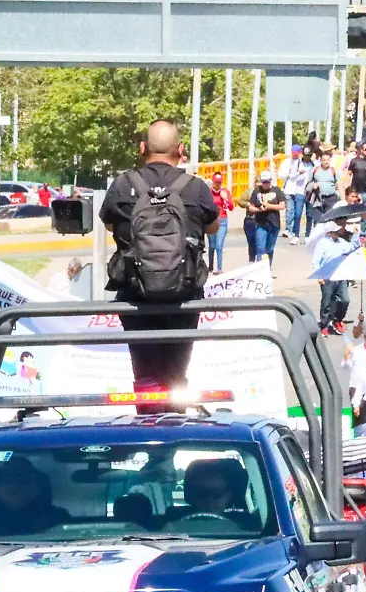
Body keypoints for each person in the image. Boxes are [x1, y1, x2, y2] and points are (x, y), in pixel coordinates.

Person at [100, 120, 219, 409]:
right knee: (176, 370)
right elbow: (213, 226)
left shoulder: (123, 185)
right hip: (184, 296)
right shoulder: (196, 188)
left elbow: (109, 224)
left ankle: (149, 419)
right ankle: (174, 419)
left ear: (142, 148)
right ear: (181, 149)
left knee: (144, 369)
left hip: (135, 295)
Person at [0, 457, 71, 535]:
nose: (15, 486)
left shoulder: (58, 518)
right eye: (7, 480)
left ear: (38, 488)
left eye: (24, 481)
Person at [313, 221, 359, 335]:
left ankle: (337, 320)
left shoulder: (341, 242)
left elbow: (352, 247)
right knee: (327, 301)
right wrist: (319, 276)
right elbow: (316, 261)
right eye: (335, 231)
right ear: (329, 232)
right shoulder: (322, 243)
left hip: (340, 275)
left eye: (338, 231)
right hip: (327, 275)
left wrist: (356, 235)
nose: (338, 233)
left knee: (345, 300)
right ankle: (324, 324)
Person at [247, 170, 286, 265]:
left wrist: (269, 206)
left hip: (274, 223)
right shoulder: (257, 191)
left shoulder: (277, 191)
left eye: (267, 181)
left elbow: (282, 206)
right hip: (261, 223)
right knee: (260, 246)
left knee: (270, 248)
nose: (266, 184)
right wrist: (258, 209)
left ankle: (268, 266)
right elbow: (251, 207)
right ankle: (260, 267)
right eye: (264, 182)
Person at [278, 144, 313, 244]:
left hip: (309, 192)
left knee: (309, 215)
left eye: (308, 156)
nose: (307, 158)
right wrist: (298, 173)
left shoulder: (313, 164)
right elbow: (288, 175)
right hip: (297, 191)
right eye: (305, 156)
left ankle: (307, 235)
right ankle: (295, 234)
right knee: (296, 214)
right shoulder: (296, 163)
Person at [208, 172, 234, 274]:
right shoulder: (208, 192)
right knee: (212, 246)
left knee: (219, 245)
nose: (218, 184)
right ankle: (210, 266)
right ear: (213, 182)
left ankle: (219, 268)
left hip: (222, 220)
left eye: (219, 182)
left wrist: (225, 199)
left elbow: (231, 208)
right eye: (216, 182)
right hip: (211, 221)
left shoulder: (225, 192)